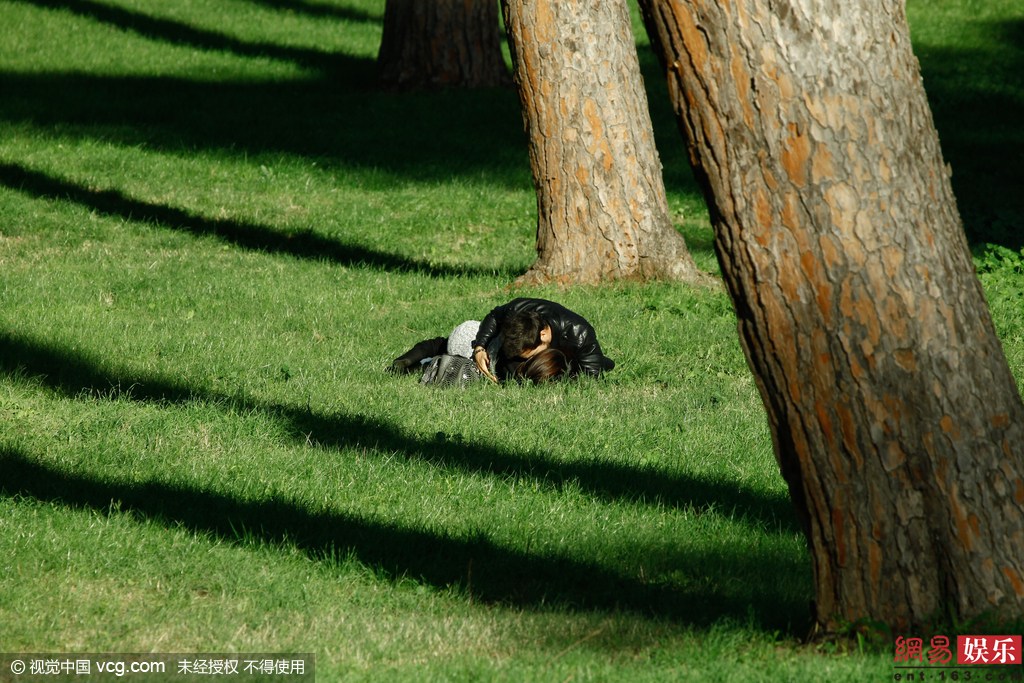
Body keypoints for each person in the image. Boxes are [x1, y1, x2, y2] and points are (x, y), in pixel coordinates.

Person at [471, 298, 614, 380]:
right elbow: (494, 316)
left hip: (568, 358)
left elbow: (592, 377)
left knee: (599, 364)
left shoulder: (580, 334)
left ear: (543, 335)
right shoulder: (517, 309)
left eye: (530, 355)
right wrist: (480, 347)